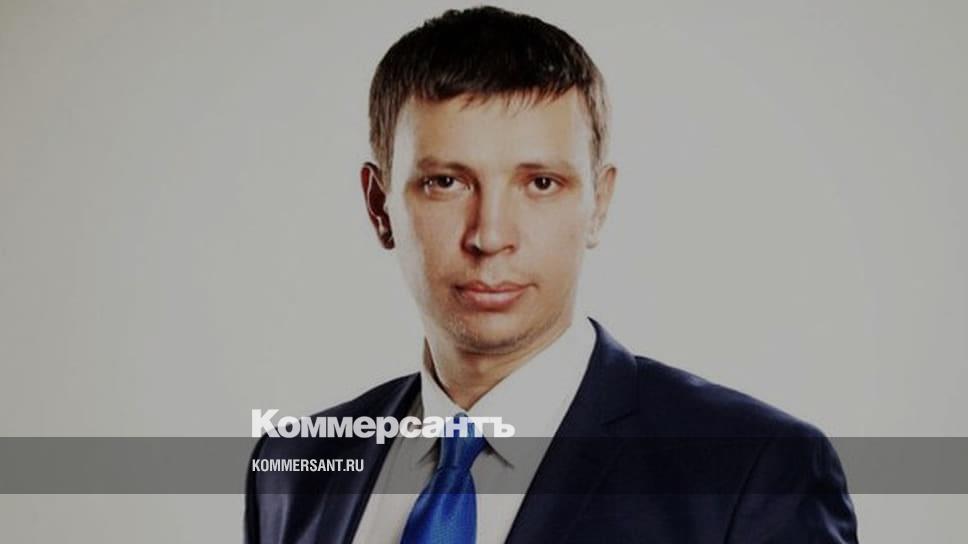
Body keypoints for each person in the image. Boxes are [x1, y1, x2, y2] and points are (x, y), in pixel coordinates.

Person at [245, 6, 858, 543]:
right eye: (446, 182)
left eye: (540, 183)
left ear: (599, 204)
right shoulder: (293, 468)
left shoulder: (754, 473)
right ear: (379, 206)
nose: (490, 235)